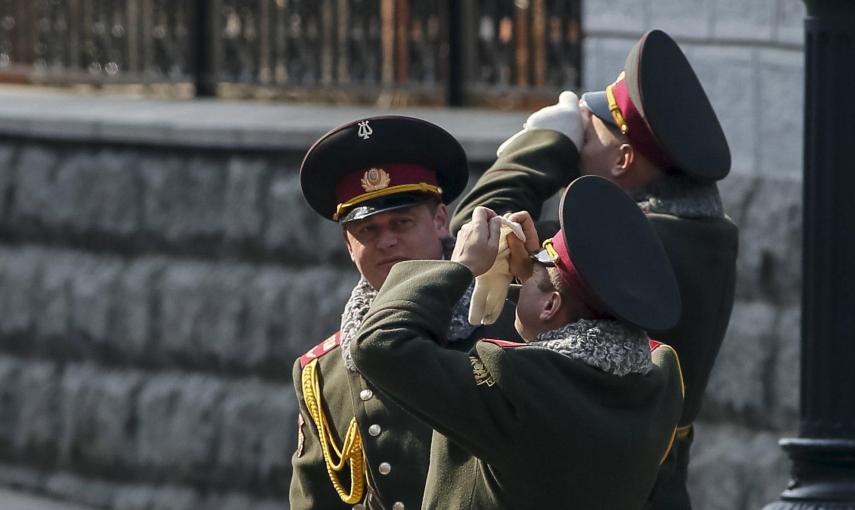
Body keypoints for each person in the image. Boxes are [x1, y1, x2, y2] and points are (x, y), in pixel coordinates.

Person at [450, 29, 738, 509]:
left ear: (624, 159)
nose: (581, 144)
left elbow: (475, 228)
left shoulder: (641, 241)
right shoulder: (700, 234)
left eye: (590, 135)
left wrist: (546, 143)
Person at [352, 175, 685, 509]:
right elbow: (575, 329)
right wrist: (536, 277)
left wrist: (461, 267)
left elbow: (378, 343)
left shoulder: (517, 388)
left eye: (537, 269)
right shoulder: (658, 380)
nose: (527, 273)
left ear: (551, 305)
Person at [289, 115, 521, 510]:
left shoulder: (512, 324)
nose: (387, 241)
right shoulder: (322, 372)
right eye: (367, 231)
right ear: (348, 244)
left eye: (402, 222)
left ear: (440, 220)